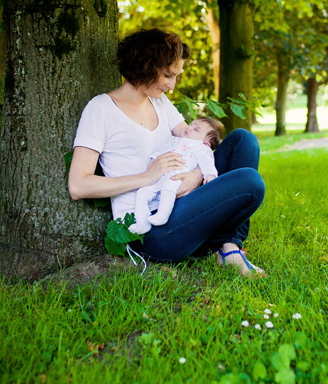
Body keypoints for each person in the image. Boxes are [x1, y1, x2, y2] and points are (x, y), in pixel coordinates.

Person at [68, 28, 265, 276]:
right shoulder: (101, 109)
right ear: (144, 66)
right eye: (167, 75)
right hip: (153, 228)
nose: (172, 86)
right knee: (249, 182)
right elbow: (78, 185)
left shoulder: (159, 101)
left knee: (243, 141)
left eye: (176, 76)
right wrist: (147, 178)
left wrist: (195, 176)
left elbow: (194, 144)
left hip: (186, 203)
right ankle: (219, 243)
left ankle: (229, 248)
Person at [131, 117, 223, 234]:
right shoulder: (174, 140)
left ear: (206, 143)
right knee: (142, 192)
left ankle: (163, 214)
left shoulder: (201, 148)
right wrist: (153, 160)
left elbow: (207, 162)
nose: (189, 127)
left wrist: (210, 175)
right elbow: (162, 152)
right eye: (190, 124)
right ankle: (142, 221)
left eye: (196, 129)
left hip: (177, 177)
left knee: (169, 185)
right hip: (159, 178)